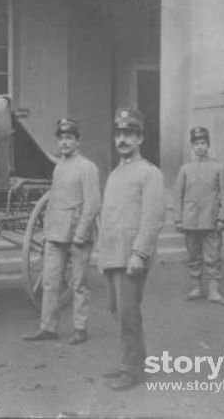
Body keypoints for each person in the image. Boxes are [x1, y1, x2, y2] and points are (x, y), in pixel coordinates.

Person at [97, 108, 165, 391]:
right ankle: (133, 360)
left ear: (141, 138)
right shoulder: (114, 174)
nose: (122, 139)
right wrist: (101, 255)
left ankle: (131, 368)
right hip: (113, 255)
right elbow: (108, 218)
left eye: (129, 134)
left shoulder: (149, 173)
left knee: (128, 313)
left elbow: (153, 217)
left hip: (131, 256)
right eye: (119, 134)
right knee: (118, 310)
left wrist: (139, 253)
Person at [23, 118, 101, 345]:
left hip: (78, 235)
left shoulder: (87, 167)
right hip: (56, 235)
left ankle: (79, 328)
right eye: (61, 138)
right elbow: (53, 200)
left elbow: (93, 203)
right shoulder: (59, 167)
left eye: (69, 138)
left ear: (78, 141)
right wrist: (47, 231)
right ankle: (48, 327)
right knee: (49, 281)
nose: (64, 143)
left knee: (79, 284)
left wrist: (81, 233)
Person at [174, 127, 224, 305]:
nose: (200, 147)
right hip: (190, 221)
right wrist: (178, 219)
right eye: (196, 143)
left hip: (211, 220)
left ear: (208, 145)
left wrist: (221, 217)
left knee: (212, 256)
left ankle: (214, 291)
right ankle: (196, 287)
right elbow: (178, 196)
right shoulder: (185, 169)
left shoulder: (218, 167)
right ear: (192, 146)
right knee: (193, 256)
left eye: (203, 143)